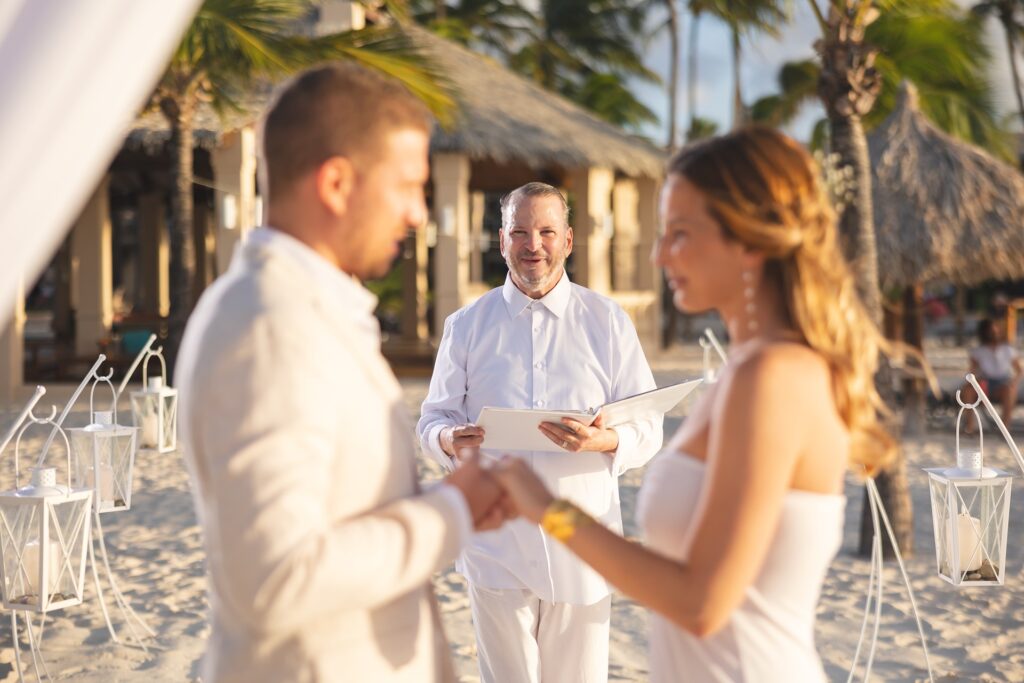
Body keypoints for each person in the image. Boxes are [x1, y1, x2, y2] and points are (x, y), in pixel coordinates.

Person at [493, 127, 894, 682]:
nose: (659, 254)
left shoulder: (770, 376)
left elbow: (701, 602)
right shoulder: (751, 367)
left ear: (750, 239)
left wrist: (548, 510)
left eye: (679, 234)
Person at [175, 63, 509, 683]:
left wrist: (443, 503)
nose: (418, 214)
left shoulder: (300, 310)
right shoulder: (270, 326)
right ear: (336, 183)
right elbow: (276, 578)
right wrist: (450, 514)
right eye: (409, 185)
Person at [417, 182, 663, 683]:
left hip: (583, 542)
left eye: (547, 231)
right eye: (520, 232)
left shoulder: (608, 322)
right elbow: (431, 420)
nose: (534, 245)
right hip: (495, 545)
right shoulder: (466, 326)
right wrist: (448, 440)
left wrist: (604, 440)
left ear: (568, 240)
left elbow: (648, 424)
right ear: (502, 240)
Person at [962, 317, 1022, 431]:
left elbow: (1019, 370)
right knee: (968, 391)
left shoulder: (1008, 349)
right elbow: (972, 371)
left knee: (1009, 391)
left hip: (1003, 383)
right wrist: (971, 383)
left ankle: (1005, 428)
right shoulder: (978, 351)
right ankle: (970, 426)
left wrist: (1014, 383)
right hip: (985, 382)